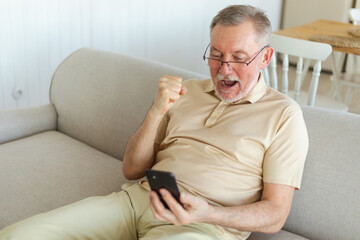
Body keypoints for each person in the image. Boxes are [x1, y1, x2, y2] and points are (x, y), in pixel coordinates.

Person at [0, 4, 308, 240]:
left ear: (265, 58)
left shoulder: (284, 115)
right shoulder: (188, 90)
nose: (224, 69)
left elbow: (275, 215)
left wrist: (209, 212)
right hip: (136, 201)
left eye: (239, 58)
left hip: (202, 227)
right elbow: (132, 169)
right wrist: (156, 110)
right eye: (216, 54)